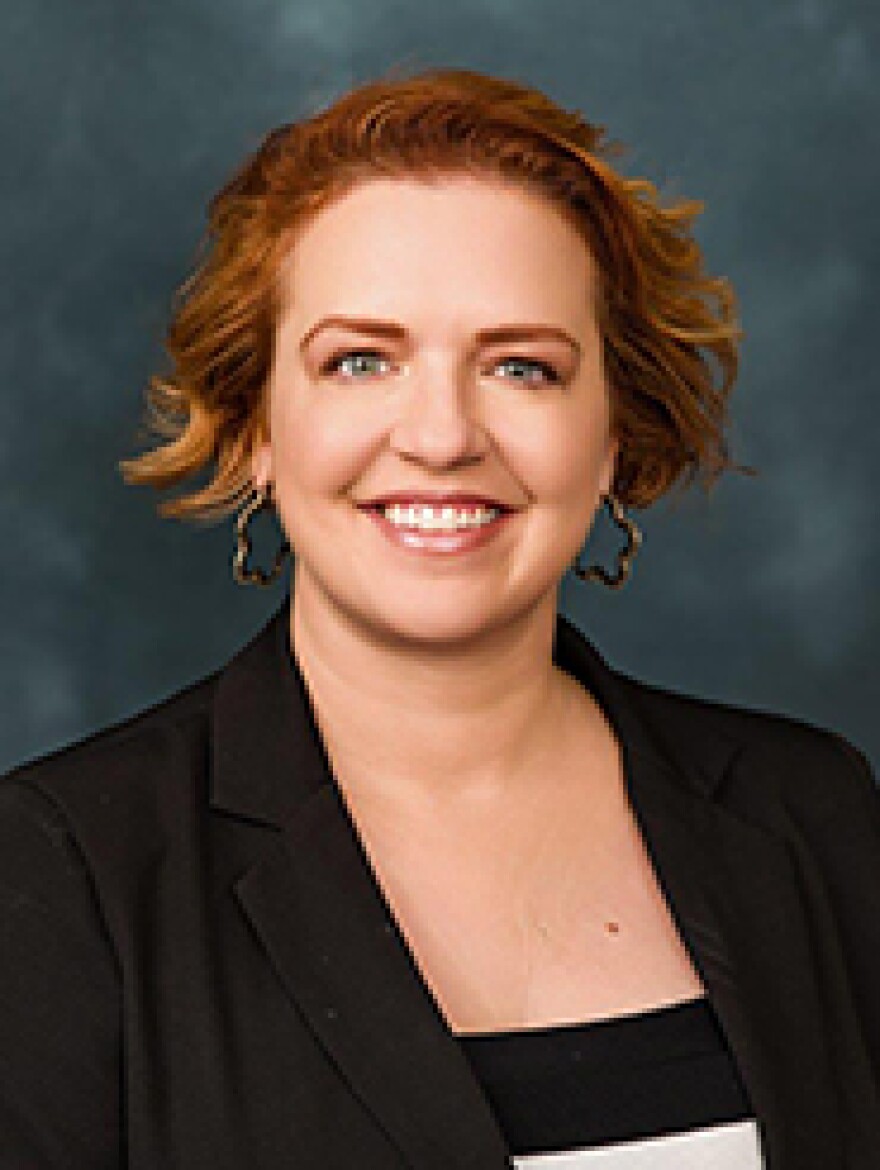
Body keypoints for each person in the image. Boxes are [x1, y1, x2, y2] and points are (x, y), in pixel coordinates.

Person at [1, 66, 878, 1170]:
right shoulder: (62, 870)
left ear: (613, 436)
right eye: (359, 360)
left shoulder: (813, 811)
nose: (441, 435)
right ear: (254, 426)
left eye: (521, 366)